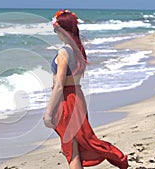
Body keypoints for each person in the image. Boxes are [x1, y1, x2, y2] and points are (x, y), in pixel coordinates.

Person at [43, 9, 129, 169]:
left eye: (55, 29)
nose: (55, 32)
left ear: (62, 29)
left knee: (71, 148)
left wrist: (48, 112)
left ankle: (118, 157)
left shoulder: (64, 52)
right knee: (78, 142)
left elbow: (60, 85)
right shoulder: (77, 49)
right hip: (77, 97)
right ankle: (118, 157)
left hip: (67, 100)